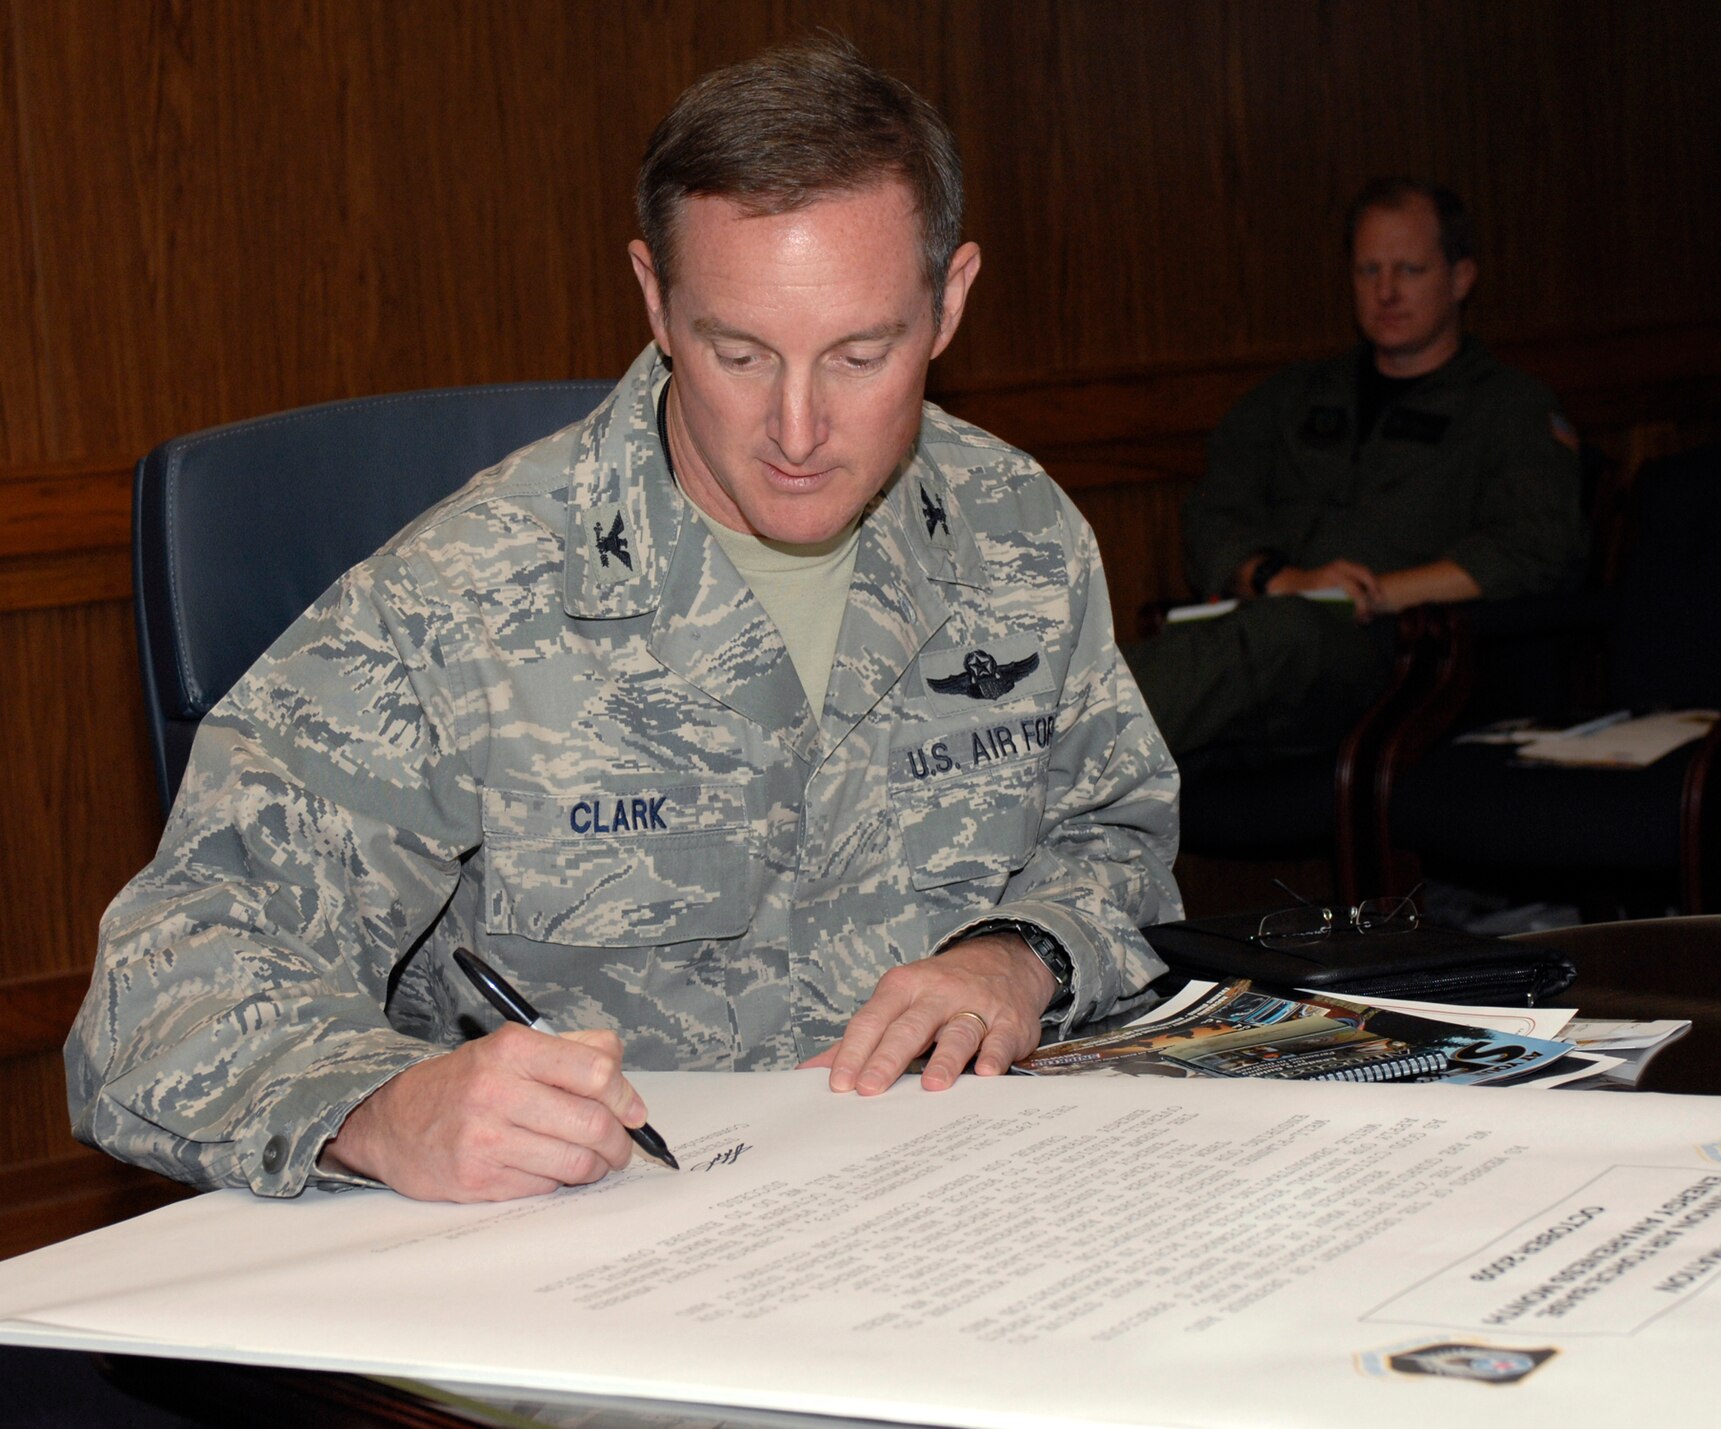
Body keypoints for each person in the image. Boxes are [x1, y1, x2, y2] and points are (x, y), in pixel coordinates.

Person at [66, 38, 1180, 1203]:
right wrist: (382, 1109)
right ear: (653, 297)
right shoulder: (467, 597)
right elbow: (158, 990)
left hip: (961, 1207)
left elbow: (1114, 835)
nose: (796, 429)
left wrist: (1022, 954)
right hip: (604, 1257)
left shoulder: (1017, 533)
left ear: (948, 302)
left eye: (860, 353)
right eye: (737, 351)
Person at [1125, 178, 1583, 760]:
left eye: (1409, 271)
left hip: (1406, 658)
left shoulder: (1509, 408)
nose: (1386, 292)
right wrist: (1277, 579)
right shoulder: (1295, 397)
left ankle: (1033, 758)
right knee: (1219, 638)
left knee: (1279, 635)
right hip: (1268, 629)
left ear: (1461, 277)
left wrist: (1375, 594)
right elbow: (1215, 511)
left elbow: (1536, 546)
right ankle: (1025, 739)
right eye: (1369, 271)